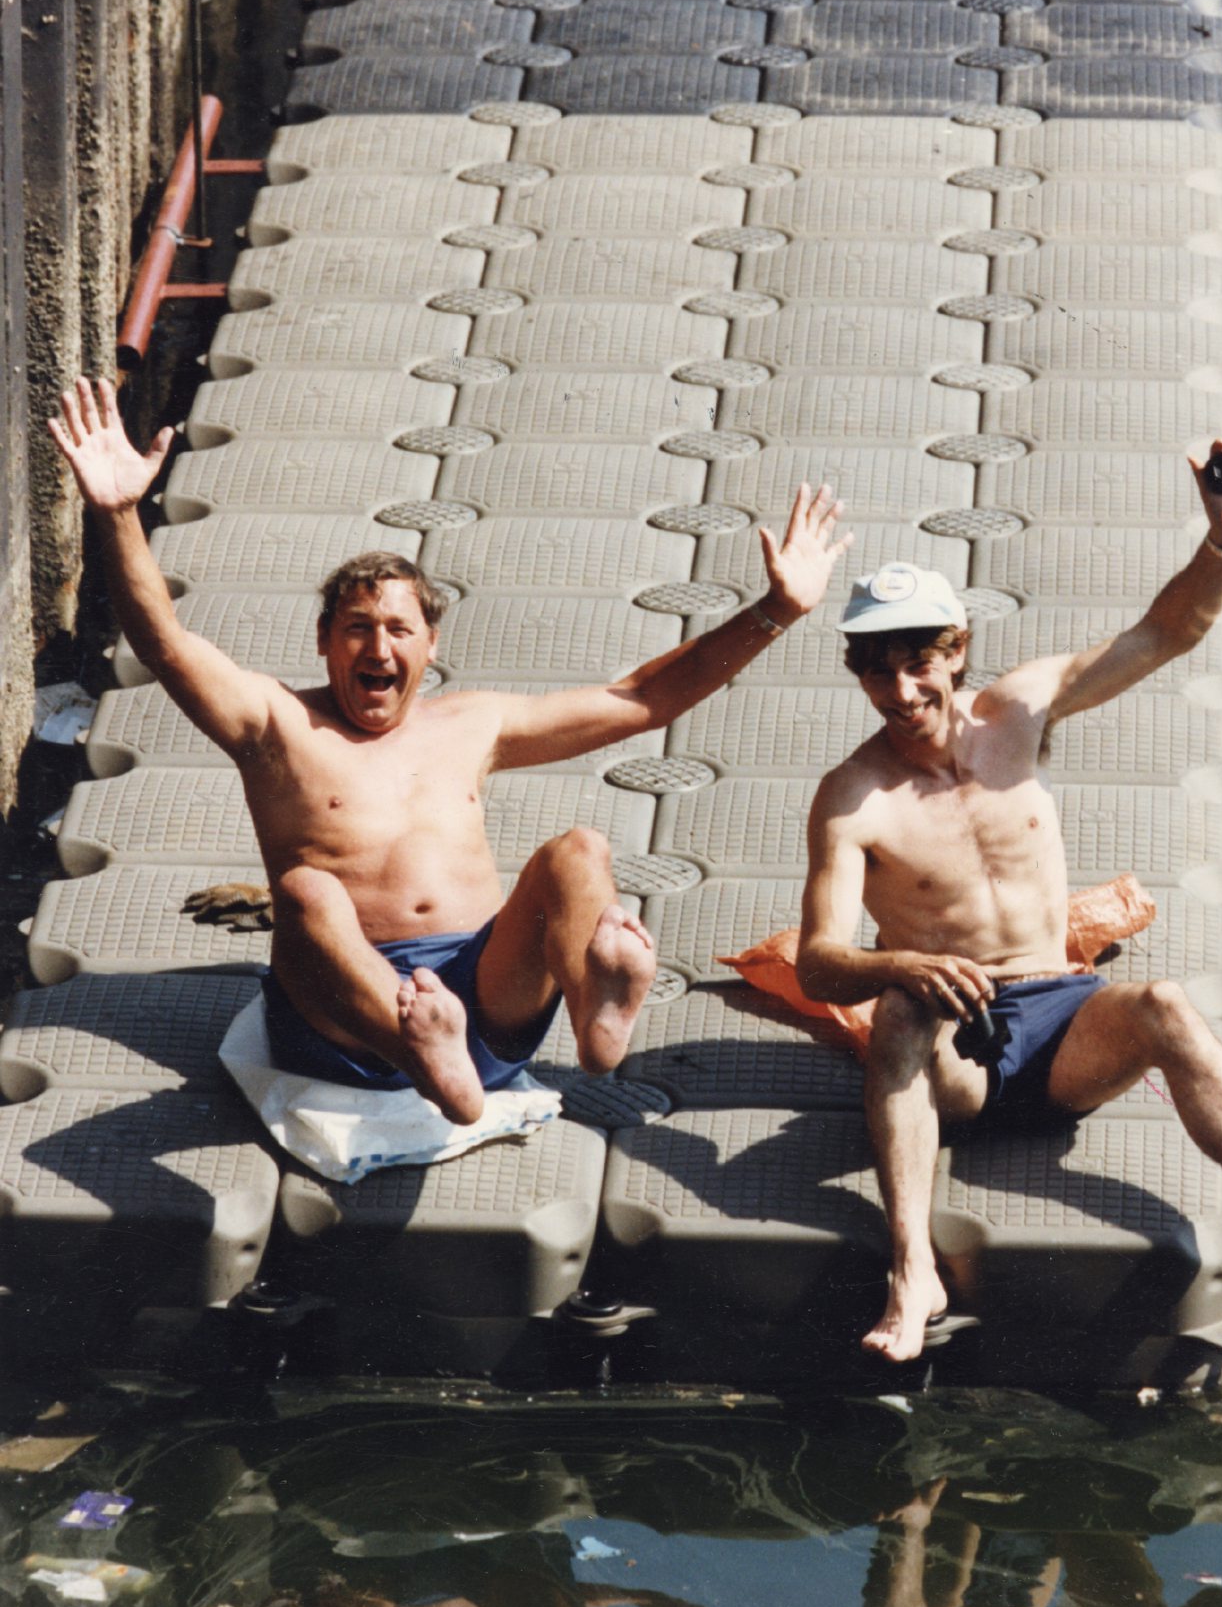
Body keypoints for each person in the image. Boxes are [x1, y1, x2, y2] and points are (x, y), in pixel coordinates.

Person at [49, 375, 852, 1124]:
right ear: (325, 641)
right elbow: (165, 643)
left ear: (430, 646)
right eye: (357, 627)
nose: (378, 645)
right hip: (343, 1021)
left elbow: (643, 698)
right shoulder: (275, 724)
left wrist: (775, 611)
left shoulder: (474, 722)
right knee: (304, 893)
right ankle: (417, 1046)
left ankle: (597, 1006)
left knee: (580, 851)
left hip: (482, 1000)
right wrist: (119, 513)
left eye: (399, 629)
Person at [796, 442, 1222, 1362]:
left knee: (1166, 1004)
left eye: (918, 664)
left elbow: (1164, 634)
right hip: (956, 1053)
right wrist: (901, 963)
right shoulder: (853, 797)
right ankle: (913, 1273)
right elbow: (819, 960)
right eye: (876, 670)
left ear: (958, 652)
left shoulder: (1020, 713)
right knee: (899, 1013)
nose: (901, 692)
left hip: (1063, 1024)